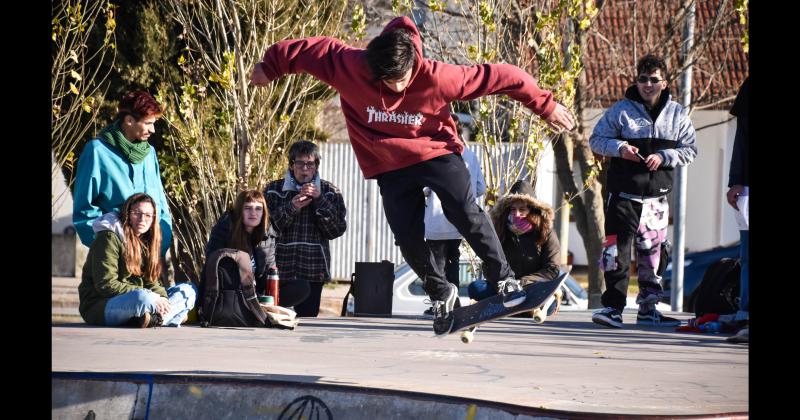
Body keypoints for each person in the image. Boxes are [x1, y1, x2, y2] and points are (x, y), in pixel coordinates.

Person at [250, 16, 575, 335]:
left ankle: (503, 278)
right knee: (406, 234)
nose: (395, 89)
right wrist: (271, 67)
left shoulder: (439, 77)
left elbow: (504, 76)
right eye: (386, 83)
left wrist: (545, 106)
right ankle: (440, 291)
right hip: (389, 160)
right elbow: (306, 50)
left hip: (436, 150)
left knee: (463, 209)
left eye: (401, 81)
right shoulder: (349, 65)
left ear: (414, 64)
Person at [589, 54, 697, 329]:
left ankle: (649, 309)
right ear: (636, 81)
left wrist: (664, 156)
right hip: (623, 198)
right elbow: (597, 140)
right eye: (642, 79)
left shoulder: (677, 114)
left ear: (664, 82)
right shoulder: (620, 111)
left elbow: (690, 150)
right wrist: (620, 149)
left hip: (656, 201)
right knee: (616, 255)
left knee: (654, 257)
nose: (647, 85)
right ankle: (612, 308)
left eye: (653, 80)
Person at [73, 91, 172, 258]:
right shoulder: (96, 152)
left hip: (151, 258)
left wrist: (160, 244)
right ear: (129, 121)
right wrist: (110, 247)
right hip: (115, 259)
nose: (153, 130)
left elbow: (160, 204)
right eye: (148, 123)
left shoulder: (149, 154)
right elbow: (84, 211)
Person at [78, 193, 196, 327]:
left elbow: (151, 282)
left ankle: (150, 319)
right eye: (137, 213)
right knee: (143, 298)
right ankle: (169, 316)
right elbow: (106, 285)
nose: (142, 219)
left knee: (188, 290)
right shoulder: (108, 238)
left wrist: (162, 298)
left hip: (139, 300)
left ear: (153, 219)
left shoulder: (146, 241)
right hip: (102, 305)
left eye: (147, 215)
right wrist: (151, 296)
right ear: (127, 214)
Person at [264, 141, 347, 317]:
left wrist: (319, 199)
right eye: (299, 163)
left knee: (309, 324)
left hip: (313, 270)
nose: (304, 169)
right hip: (279, 268)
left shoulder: (330, 191)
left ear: (316, 167)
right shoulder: (273, 190)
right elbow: (266, 229)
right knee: (274, 320)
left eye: (309, 164)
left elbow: (336, 230)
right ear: (291, 165)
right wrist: (291, 207)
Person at [467, 180, 563, 320]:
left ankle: (510, 308)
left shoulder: (546, 231)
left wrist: (521, 283)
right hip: (506, 288)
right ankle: (523, 309)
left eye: (522, 209)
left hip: (532, 287)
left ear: (532, 209)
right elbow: (488, 264)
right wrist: (503, 283)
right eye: (513, 209)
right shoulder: (500, 229)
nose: (517, 214)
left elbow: (552, 269)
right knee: (476, 288)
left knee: (551, 301)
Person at [205, 189, 310, 307]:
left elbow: (269, 272)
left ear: (263, 212)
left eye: (258, 209)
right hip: (231, 291)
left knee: (302, 286)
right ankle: (255, 307)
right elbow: (212, 265)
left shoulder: (267, 234)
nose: (253, 213)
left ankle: (260, 307)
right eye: (248, 208)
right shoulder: (224, 230)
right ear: (239, 211)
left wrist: (269, 291)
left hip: (257, 292)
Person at [422, 146, 486, 315]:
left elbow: (424, 188)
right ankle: (454, 304)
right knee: (453, 262)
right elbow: (480, 188)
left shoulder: (433, 153)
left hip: (436, 219)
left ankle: (440, 303)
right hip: (459, 220)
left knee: (437, 264)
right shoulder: (471, 156)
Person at [725, 76, 749, 343]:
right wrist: (735, 181)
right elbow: (741, 140)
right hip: (748, 189)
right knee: (748, 254)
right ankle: (746, 314)